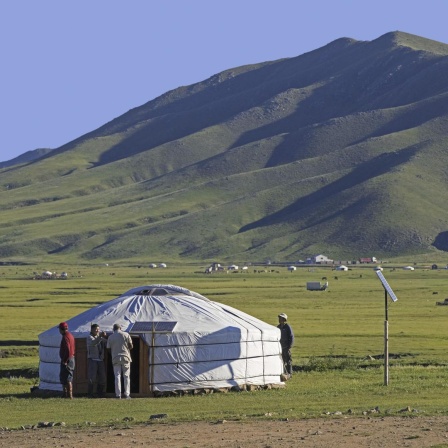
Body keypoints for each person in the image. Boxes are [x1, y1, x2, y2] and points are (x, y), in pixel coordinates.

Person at [107, 323, 133, 399]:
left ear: (113, 329)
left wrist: (113, 352)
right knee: (126, 376)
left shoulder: (111, 337)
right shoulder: (126, 334)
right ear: (120, 328)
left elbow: (108, 348)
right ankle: (127, 394)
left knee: (117, 376)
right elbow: (131, 346)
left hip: (115, 357)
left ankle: (118, 395)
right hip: (125, 357)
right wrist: (126, 349)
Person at [86, 323, 108, 398]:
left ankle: (100, 393)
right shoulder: (89, 337)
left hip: (100, 360)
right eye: (96, 329)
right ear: (92, 330)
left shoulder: (100, 337)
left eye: (98, 329)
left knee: (102, 377)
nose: (97, 331)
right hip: (93, 359)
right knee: (92, 377)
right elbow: (93, 343)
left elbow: (107, 343)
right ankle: (90, 393)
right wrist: (100, 337)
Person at [58, 321, 75, 398]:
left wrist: (65, 360)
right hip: (70, 358)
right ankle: (65, 394)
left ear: (61, 329)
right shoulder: (70, 335)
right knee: (64, 377)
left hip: (67, 360)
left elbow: (68, 350)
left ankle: (69, 395)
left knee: (68, 377)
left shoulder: (65, 337)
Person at [277, 313, 294, 378]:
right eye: (279, 318)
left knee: (288, 360)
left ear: (284, 319)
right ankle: (283, 373)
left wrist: (289, 346)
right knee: (282, 361)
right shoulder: (278, 327)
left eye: (280, 318)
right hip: (280, 347)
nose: (279, 319)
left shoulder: (287, 327)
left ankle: (290, 373)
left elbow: (291, 336)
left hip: (286, 347)